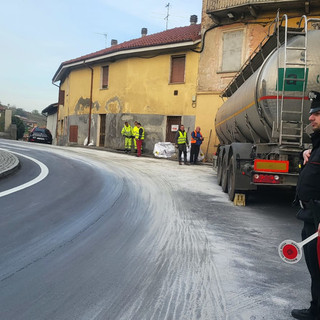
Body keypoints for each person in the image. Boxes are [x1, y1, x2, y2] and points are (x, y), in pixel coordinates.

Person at [291, 90, 320, 320]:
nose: (311, 118)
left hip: (318, 219)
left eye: (318, 113)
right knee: (314, 267)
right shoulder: (318, 144)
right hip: (311, 216)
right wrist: (307, 153)